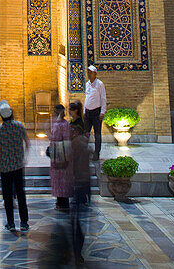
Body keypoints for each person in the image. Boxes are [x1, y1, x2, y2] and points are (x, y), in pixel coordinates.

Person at [0, 100, 30, 232]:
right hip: (18, 165)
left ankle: (11, 222)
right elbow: (27, 142)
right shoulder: (19, 126)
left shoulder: (0, 129)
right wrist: (24, 157)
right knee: (20, 194)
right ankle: (24, 222)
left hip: (5, 167)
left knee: (8, 196)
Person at [69, 124, 91, 266]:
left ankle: (76, 251)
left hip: (79, 184)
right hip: (84, 184)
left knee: (77, 220)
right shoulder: (83, 144)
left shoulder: (76, 144)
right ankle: (77, 251)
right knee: (80, 220)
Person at [48, 103, 75, 212]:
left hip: (62, 154)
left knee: (63, 180)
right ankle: (59, 201)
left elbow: (66, 139)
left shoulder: (63, 124)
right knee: (58, 179)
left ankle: (64, 202)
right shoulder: (58, 124)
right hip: (56, 153)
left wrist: (66, 155)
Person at [83, 65, 107, 161]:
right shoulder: (87, 84)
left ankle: (96, 153)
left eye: (90, 72)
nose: (89, 74)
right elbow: (86, 98)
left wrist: (102, 111)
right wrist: (84, 111)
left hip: (96, 112)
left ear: (95, 73)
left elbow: (103, 98)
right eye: (88, 72)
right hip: (88, 112)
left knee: (97, 134)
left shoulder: (100, 84)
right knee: (86, 133)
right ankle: (84, 153)